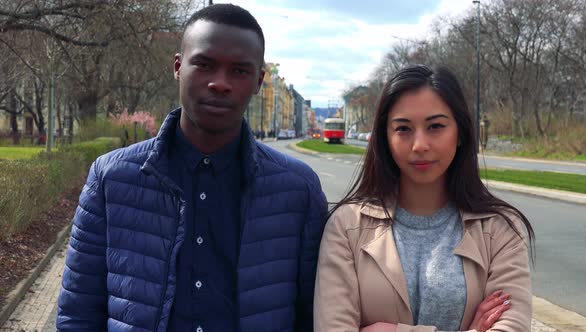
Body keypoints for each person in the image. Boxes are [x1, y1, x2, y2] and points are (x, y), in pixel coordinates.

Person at [56, 4, 327, 332]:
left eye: (239, 71)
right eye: (205, 64)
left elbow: (313, 317)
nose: (220, 83)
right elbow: (79, 313)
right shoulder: (110, 179)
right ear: (178, 66)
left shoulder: (297, 190)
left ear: (258, 81)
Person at [314, 65, 534, 332]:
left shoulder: (500, 229)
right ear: (385, 137)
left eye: (435, 126)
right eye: (403, 129)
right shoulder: (347, 226)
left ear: (461, 133)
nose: (419, 145)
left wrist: (392, 331)